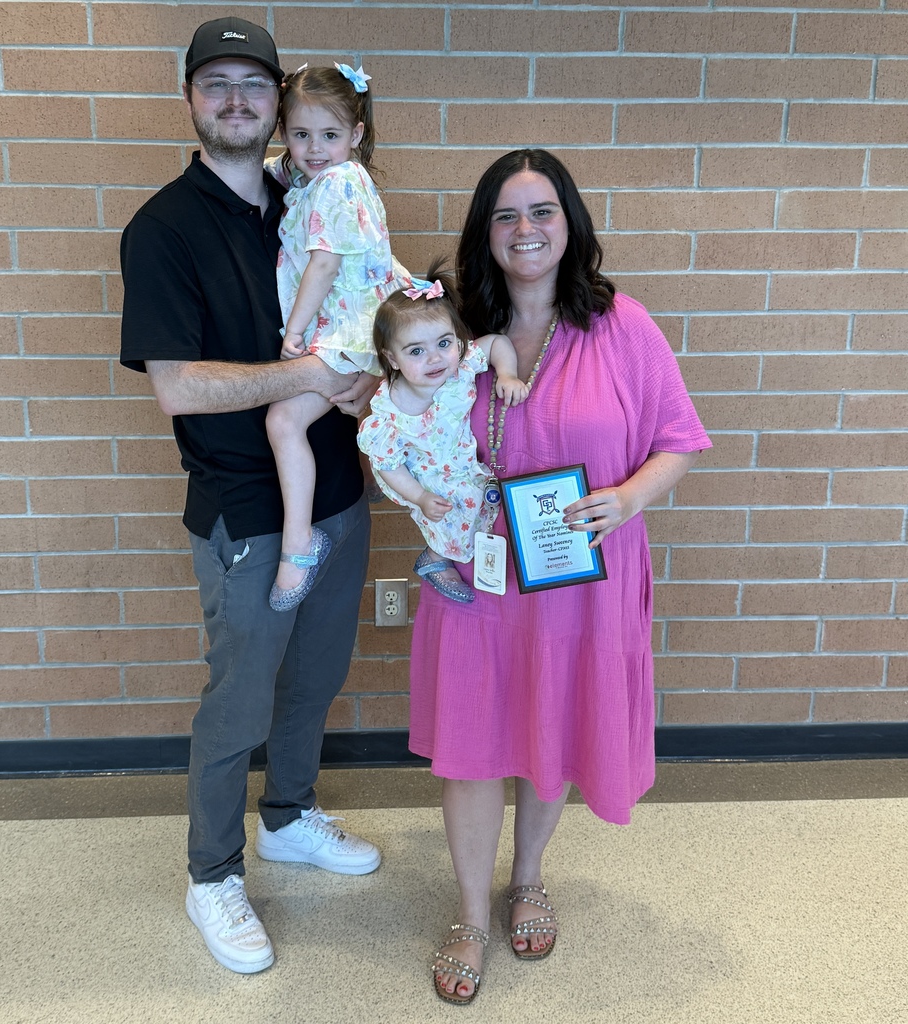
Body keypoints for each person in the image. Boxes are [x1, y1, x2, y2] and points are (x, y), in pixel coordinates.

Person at [410, 149, 711, 1004]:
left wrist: (624, 500)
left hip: (582, 575)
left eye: (541, 211)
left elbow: (679, 442)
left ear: (569, 222)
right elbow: (395, 415)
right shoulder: (452, 327)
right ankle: (470, 911)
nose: (525, 230)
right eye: (506, 216)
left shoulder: (623, 326)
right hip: (475, 572)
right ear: (485, 233)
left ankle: (528, 878)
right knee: (472, 743)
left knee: (555, 722)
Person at [118, 18, 381, 977]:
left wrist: (367, 375)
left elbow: (363, 312)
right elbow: (178, 387)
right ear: (191, 97)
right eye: (215, 81)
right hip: (246, 509)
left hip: (338, 488)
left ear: (281, 100)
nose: (236, 98)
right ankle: (212, 871)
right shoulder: (163, 228)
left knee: (315, 677)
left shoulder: (311, 192)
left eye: (252, 83)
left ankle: (289, 816)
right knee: (241, 699)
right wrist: (310, 372)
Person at [264, 64, 411, 611]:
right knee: (365, 417)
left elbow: (323, 266)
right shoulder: (324, 177)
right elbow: (282, 170)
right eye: (300, 135)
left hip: (344, 329)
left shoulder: (338, 182)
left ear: (357, 134)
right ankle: (377, 471)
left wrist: (295, 332)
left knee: (282, 420)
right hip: (358, 324)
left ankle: (299, 545)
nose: (314, 148)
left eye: (330, 136)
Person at [357, 261, 529, 603]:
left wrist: (508, 374)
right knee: (448, 509)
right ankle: (435, 558)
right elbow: (389, 465)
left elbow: (496, 343)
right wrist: (419, 496)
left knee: (479, 500)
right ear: (392, 359)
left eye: (444, 343)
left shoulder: (459, 367)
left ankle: (458, 553)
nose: (435, 359)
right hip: (418, 473)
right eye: (416, 351)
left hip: (457, 460)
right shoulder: (388, 416)